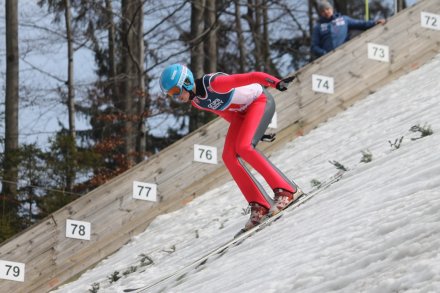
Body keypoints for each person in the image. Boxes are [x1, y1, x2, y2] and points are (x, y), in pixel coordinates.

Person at [159, 64, 302, 234]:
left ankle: (287, 190)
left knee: (244, 147)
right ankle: (260, 205)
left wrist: (276, 83)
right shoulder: (197, 101)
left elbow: (252, 76)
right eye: (170, 94)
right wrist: (254, 131)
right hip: (242, 114)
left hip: (259, 101)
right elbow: (227, 114)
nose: (175, 97)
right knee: (228, 156)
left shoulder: (215, 84)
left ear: (187, 82)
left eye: (175, 91)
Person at [312, 1, 386, 58]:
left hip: (344, 54)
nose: (326, 12)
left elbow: (361, 24)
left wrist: (374, 23)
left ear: (332, 9)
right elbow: (314, 46)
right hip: (327, 58)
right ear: (321, 13)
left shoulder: (343, 19)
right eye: (323, 11)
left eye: (327, 9)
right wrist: (324, 53)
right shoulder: (318, 27)